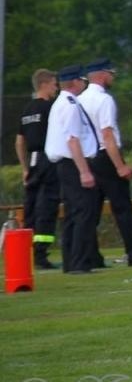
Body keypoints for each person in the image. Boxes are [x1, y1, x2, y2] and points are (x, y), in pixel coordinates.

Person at [80, 59, 132, 266]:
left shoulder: (79, 99)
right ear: (103, 75)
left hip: (88, 157)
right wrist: (120, 166)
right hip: (107, 156)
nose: (112, 77)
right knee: (122, 208)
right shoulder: (104, 100)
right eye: (111, 74)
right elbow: (107, 135)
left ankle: (91, 255)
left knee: (91, 211)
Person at [43, 65, 101, 275]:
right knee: (83, 212)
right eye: (82, 80)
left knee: (72, 213)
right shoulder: (69, 105)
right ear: (75, 82)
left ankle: (71, 261)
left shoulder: (65, 102)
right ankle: (80, 261)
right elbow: (73, 140)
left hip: (67, 164)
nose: (84, 83)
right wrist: (84, 171)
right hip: (72, 163)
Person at [15, 69, 60, 270]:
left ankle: (26, 253)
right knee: (47, 206)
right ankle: (41, 253)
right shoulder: (50, 108)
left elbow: (19, 141)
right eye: (54, 84)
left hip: (32, 161)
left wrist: (25, 168)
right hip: (48, 158)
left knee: (31, 207)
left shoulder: (27, 109)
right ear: (44, 84)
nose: (56, 88)